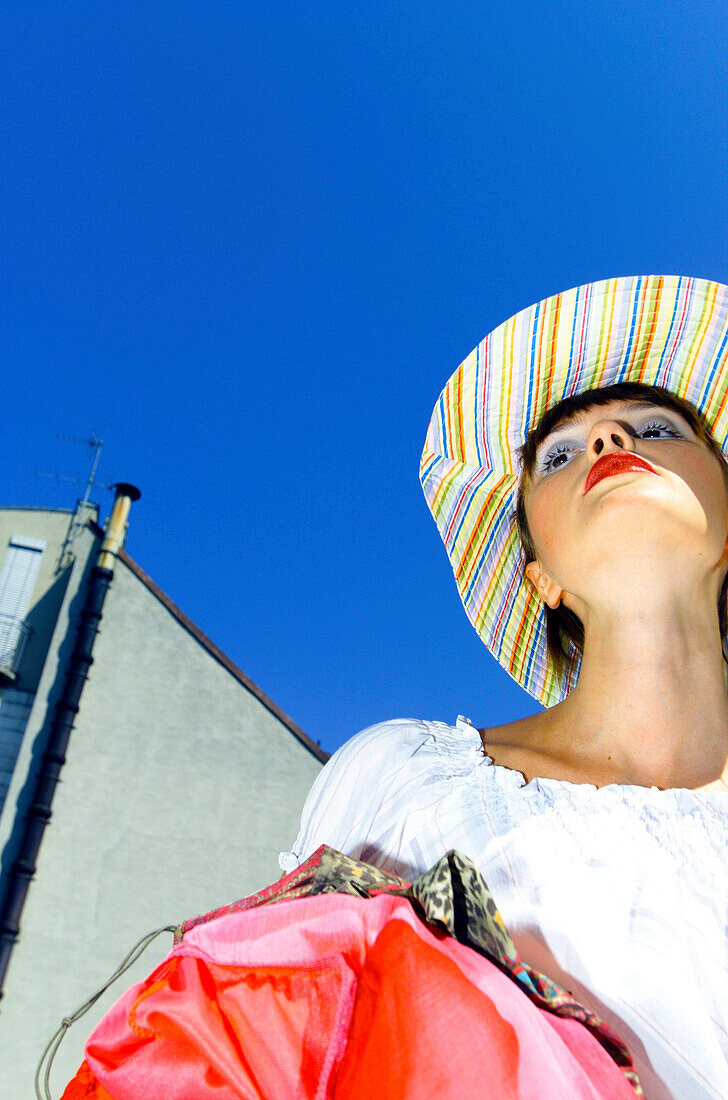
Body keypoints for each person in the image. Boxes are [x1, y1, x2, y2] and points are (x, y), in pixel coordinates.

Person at [279, 275, 728, 1100]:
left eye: (659, 428)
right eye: (559, 453)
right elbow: (272, 1041)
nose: (610, 438)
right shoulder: (402, 781)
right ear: (540, 574)